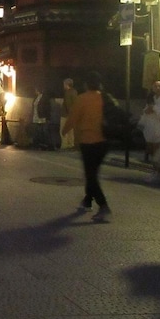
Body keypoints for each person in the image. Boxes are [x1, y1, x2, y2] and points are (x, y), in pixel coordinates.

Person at [61, 71, 112, 221]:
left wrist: (65, 131)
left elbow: (73, 118)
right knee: (93, 173)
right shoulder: (105, 97)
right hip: (104, 141)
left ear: (86, 84)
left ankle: (103, 206)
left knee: (91, 176)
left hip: (88, 140)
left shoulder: (83, 99)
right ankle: (87, 201)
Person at [140, 80, 160, 184]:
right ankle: (154, 172)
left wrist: (154, 108)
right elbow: (146, 110)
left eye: (159, 86)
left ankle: (159, 174)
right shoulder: (152, 98)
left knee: (158, 152)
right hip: (150, 128)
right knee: (152, 151)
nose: (157, 88)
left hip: (159, 128)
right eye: (155, 86)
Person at [30, 84, 52, 150]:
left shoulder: (44, 98)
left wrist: (47, 117)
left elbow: (47, 108)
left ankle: (45, 144)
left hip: (42, 117)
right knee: (37, 131)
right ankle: (38, 144)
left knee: (43, 131)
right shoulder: (36, 98)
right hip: (36, 116)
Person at [60, 78, 77, 150]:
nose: (63, 86)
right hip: (72, 114)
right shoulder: (75, 91)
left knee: (63, 130)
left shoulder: (67, 93)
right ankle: (71, 144)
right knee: (71, 131)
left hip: (65, 115)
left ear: (67, 85)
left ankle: (64, 145)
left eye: (64, 84)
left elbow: (68, 104)